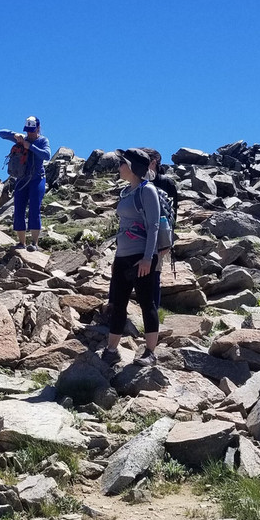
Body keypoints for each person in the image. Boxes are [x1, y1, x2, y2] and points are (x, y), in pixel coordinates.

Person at [102, 148, 161, 367]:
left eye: (122, 163)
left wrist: (147, 258)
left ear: (132, 167)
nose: (119, 167)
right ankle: (111, 350)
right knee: (118, 303)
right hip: (123, 256)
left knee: (147, 303)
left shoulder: (148, 191)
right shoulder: (127, 191)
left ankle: (150, 352)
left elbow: (154, 226)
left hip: (141, 257)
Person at [0, 116, 51, 250]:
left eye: (32, 130)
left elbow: (47, 155)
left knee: (34, 208)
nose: (29, 133)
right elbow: (0, 133)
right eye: (28, 130)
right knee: (19, 209)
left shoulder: (43, 140)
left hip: (37, 178)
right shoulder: (22, 138)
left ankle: (35, 244)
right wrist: (14, 135)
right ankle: (21, 243)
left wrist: (30, 147)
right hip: (21, 180)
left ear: (38, 128)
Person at [140, 148, 178, 309]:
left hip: (159, 238)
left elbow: (173, 214)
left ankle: (152, 312)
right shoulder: (138, 181)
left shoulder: (166, 183)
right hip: (138, 236)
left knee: (154, 273)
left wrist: (167, 241)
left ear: (153, 163)